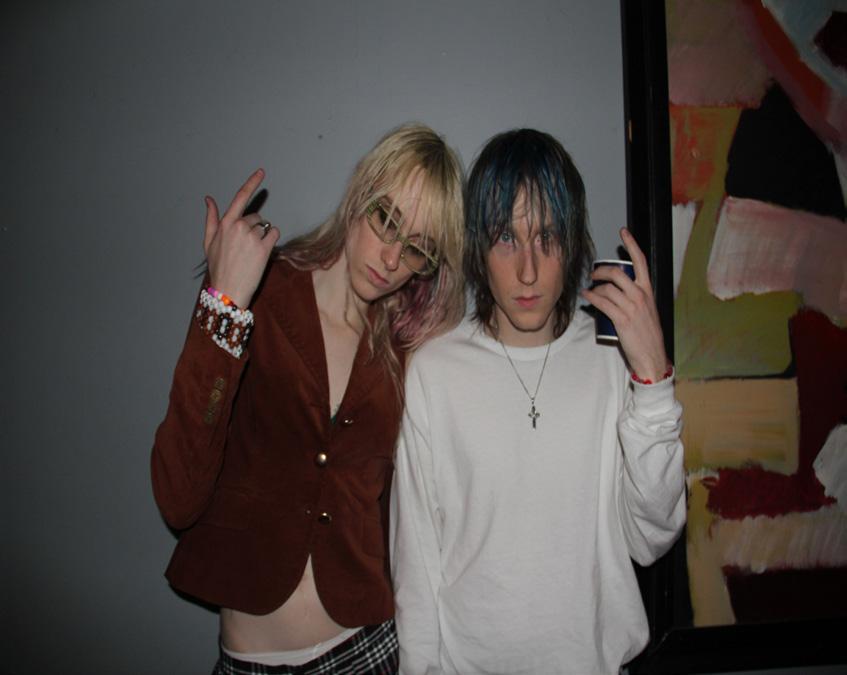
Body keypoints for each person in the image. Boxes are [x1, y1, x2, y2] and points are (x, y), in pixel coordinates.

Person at [151, 123, 464, 674]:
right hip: (251, 660)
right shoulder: (259, 291)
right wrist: (224, 303)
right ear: (359, 193)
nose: (393, 258)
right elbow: (178, 497)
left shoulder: (404, 351)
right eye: (387, 219)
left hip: (369, 651)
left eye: (418, 248)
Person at [390, 128, 686, 675]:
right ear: (478, 247)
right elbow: (416, 563)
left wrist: (653, 381)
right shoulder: (436, 371)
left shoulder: (610, 359)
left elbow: (652, 538)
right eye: (507, 237)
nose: (528, 271)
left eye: (546, 237)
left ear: (571, 245)